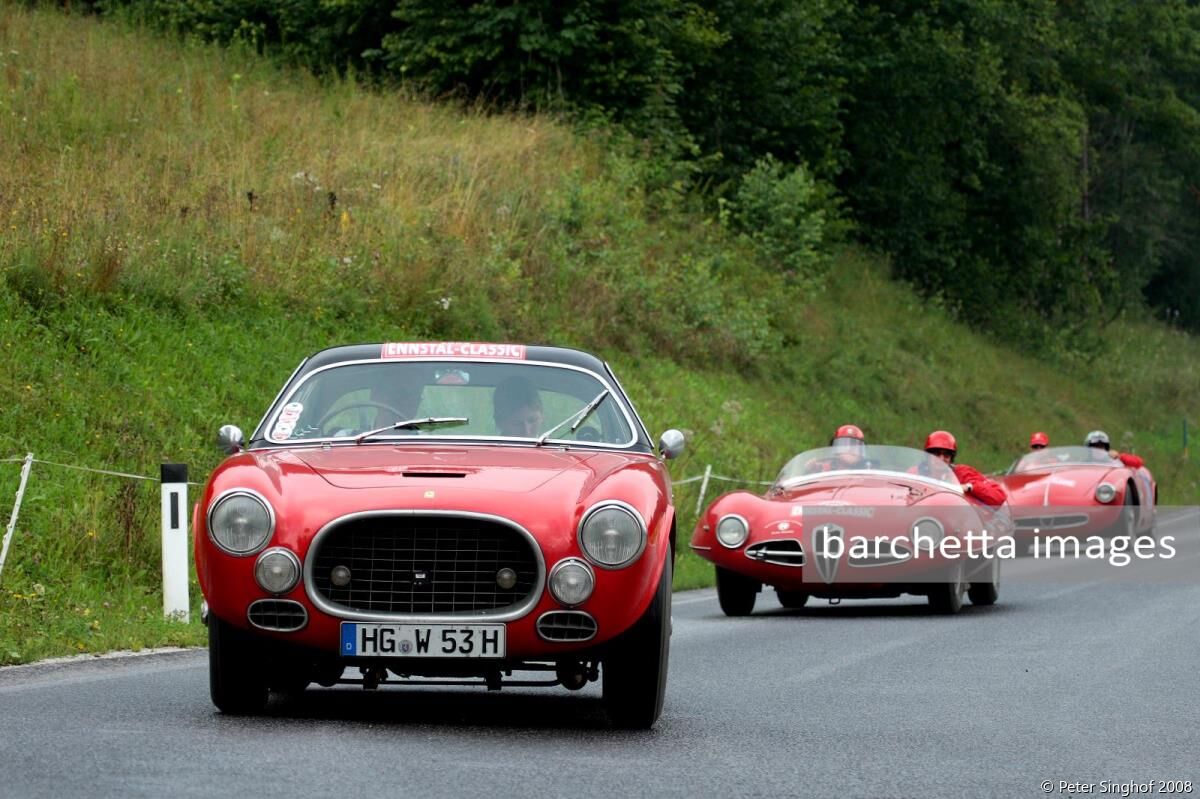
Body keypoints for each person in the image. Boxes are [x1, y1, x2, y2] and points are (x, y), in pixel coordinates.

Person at [924, 430, 1007, 507]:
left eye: (946, 455)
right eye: (937, 454)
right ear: (928, 456)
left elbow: (999, 495)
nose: (941, 459)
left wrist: (969, 487)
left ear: (951, 458)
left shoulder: (962, 473)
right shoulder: (916, 472)